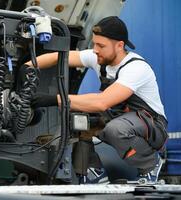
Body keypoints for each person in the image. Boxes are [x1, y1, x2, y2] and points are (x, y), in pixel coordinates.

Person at [25, 16, 168, 180]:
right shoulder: (101, 58)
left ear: (120, 45)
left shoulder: (136, 68)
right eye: (94, 43)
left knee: (115, 129)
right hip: (119, 117)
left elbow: (101, 103)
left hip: (151, 126)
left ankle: (150, 164)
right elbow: (59, 57)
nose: (95, 49)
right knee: (77, 121)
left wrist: (53, 99)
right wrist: (28, 67)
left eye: (101, 45)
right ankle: (94, 172)